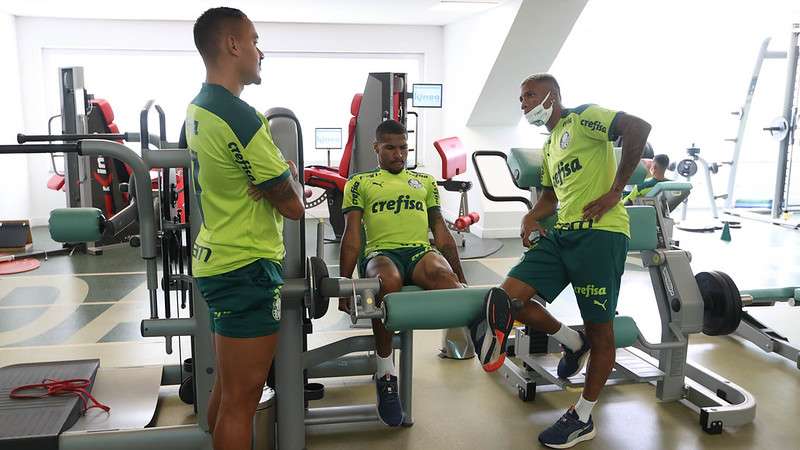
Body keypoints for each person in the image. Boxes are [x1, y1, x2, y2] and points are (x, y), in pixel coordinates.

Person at [481, 73, 651, 448]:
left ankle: (583, 417)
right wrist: (530, 217)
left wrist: (615, 191)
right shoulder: (549, 146)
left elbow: (638, 127)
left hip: (601, 235)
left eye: (530, 95)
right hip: (562, 234)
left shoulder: (584, 118)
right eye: (521, 98)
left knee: (601, 331)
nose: (523, 103)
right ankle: (573, 343)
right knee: (509, 300)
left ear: (552, 96)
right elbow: (549, 198)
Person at [187, 7, 304, 450]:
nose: (260, 52)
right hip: (246, 266)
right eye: (255, 41)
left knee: (228, 388)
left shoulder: (199, 107)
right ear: (233, 45)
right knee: (241, 400)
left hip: (218, 258)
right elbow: (293, 206)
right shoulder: (241, 117)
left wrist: (276, 175)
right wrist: (287, 177)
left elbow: (265, 181)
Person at [338, 119, 472, 426]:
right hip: (381, 254)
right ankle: (386, 373)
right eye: (390, 148)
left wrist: (462, 280)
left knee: (445, 277)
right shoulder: (360, 182)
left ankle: (479, 330)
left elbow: (441, 233)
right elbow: (352, 235)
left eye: (403, 148)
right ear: (376, 148)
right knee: (388, 283)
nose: (398, 154)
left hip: (419, 252)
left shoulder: (424, 182)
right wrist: (344, 284)